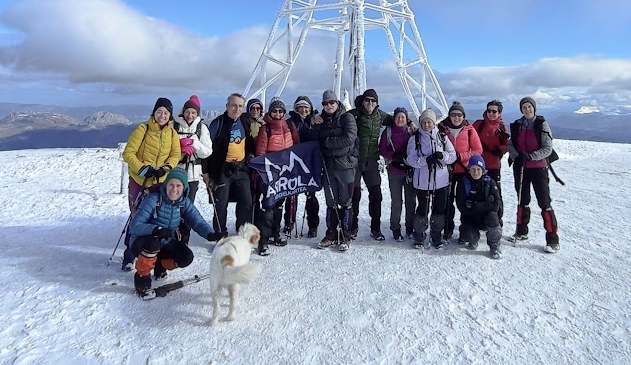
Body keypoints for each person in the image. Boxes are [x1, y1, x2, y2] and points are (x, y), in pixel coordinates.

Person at [128, 168, 223, 300]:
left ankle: (160, 265)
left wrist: (210, 234)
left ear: (183, 188)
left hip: (166, 242)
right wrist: (156, 229)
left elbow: (197, 221)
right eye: (171, 185)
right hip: (143, 242)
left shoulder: (184, 203)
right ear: (166, 185)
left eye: (178, 186)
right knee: (153, 242)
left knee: (186, 257)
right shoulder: (154, 199)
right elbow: (135, 226)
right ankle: (142, 279)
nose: (174, 189)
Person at [507, 97, 560, 253]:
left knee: (544, 202)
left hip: (538, 169)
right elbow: (511, 145)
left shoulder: (541, 124)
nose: (527, 109)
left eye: (529, 106)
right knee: (522, 200)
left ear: (534, 108)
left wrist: (530, 156)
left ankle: (552, 239)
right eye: (524, 107)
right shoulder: (517, 125)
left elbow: (547, 148)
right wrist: (518, 157)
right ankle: (521, 232)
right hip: (521, 168)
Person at [203, 93, 255, 237]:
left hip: (242, 168)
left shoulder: (245, 121)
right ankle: (220, 234)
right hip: (222, 169)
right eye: (234, 105)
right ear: (227, 106)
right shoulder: (218, 123)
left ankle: (243, 233)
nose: (237, 109)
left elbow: (249, 142)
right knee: (221, 204)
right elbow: (207, 150)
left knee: (246, 202)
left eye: (240, 106)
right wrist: (206, 173)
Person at [314, 90, 358, 251]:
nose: (329, 106)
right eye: (325, 103)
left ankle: (345, 235)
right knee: (331, 202)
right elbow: (314, 137)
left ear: (337, 103)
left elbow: (350, 138)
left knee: (346, 202)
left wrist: (328, 143)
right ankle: (331, 234)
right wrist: (313, 121)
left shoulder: (347, 118)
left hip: (345, 166)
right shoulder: (321, 120)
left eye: (331, 102)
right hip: (328, 167)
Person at [254, 98, 299, 255]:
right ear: (270, 112)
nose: (278, 114)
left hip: (284, 174)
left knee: (279, 204)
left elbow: (295, 149)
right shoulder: (265, 129)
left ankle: (275, 234)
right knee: (267, 205)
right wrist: (264, 174)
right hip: (269, 174)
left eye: (280, 111)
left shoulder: (289, 128)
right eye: (275, 111)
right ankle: (263, 240)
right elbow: (260, 153)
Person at [406, 108, 456, 249]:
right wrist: (425, 161)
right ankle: (419, 235)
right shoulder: (414, 139)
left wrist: (442, 156)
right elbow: (411, 159)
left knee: (439, 210)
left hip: (441, 181)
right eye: (424, 122)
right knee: (422, 209)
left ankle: (436, 235)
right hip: (423, 182)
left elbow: (452, 156)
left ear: (434, 123)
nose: (426, 125)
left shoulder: (442, 137)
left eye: (429, 122)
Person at [122, 97, 181, 213]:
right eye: (159, 112)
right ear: (154, 113)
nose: (162, 115)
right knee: (137, 214)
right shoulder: (142, 129)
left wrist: (165, 168)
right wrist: (142, 169)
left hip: (160, 181)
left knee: (157, 214)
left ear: (170, 115)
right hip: (139, 180)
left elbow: (176, 154)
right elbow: (128, 153)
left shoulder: (172, 134)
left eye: (166, 113)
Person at [348, 89, 392, 240]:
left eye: (373, 101)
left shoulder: (380, 115)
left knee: (376, 196)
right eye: (367, 100)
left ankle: (376, 228)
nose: (370, 103)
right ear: (362, 101)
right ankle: (352, 227)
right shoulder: (354, 114)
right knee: (354, 196)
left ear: (377, 103)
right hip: (355, 161)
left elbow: (397, 120)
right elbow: (336, 119)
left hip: (372, 161)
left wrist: (411, 123)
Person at [437, 101, 482, 242]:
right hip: (447, 170)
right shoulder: (441, 129)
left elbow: (478, 150)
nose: (456, 118)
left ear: (463, 116)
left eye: (459, 115)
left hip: (464, 170)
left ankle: (465, 231)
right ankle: (447, 228)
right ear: (449, 116)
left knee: (464, 201)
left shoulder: (469, 130)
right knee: (447, 201)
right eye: (453, 115)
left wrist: (461, 157)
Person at [284, 96, 320, 238]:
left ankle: (313, 225)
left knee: (311, 196)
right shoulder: (289, 123)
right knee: (291, 194)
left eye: (306, 108)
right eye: (300, 107)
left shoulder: (316, 121)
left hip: (310, 163)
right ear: (296, 109)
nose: (304, 110)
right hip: (294, 162)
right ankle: (289, 222)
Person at [378, 107, 416, 241]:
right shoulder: (388, 132)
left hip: (409, 171)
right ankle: (395, 228)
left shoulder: (411, 131)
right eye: (398, 117)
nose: (400, 119)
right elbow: (382, 148)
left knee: (411, 201)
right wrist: (394, 156)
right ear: (394, 118)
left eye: (403, 117)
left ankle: (410, 227)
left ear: (407, 119)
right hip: (394, 171)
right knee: (397, 201)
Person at [455, 155, 503, 259]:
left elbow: (496, 205)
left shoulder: (490, 183)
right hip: (470, 217)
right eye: (473, 169)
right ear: (469, 169)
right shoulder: (463, 183)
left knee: (493, 218)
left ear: (483, 170)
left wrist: (475, 205)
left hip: (486, 217)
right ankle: (473, 239)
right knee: (468, 235)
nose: (476, 172)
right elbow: (461, 206)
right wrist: (486, 205)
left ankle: (494, 246)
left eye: (478, 169)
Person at [472, 100, 509, 225]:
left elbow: (506, 144)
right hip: (478, 166)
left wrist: (501, 150)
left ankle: (497, 218)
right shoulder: (479, 124)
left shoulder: (502, 127)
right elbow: (469, 136)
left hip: (494, 165)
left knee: (495, 192)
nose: (491, 113)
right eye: (489, 111)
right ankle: (478, 219)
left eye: (494, 111)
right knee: (478, 192)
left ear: (499, 113)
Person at [173, 95, 213, 204]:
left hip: (193, 174)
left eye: (193, 113)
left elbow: (207, 152)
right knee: (174, 203)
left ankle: (185, 222)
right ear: (183, 112)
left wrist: (193, 143)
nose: (190, 115)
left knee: (188, 205)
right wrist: (180, 146)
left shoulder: (202, 128)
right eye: (187, 112)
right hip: (175, 170)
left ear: (197, 114)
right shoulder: (174, 126)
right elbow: (166, 147)